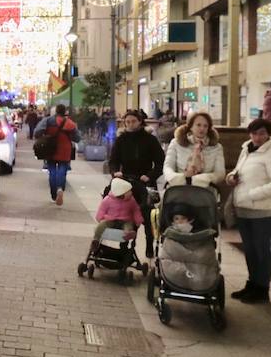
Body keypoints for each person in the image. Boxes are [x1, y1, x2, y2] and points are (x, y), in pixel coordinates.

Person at [225, 118, 271, 304]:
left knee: (261, 251)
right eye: (254, 133)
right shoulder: (247, 150)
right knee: (251, 251)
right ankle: (252, 284)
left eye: (262, 133)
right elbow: (238, 171)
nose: (258, 137)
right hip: (244, 209)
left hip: (262, 211)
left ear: (269, 134)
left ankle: (263, 289)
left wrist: (254, 194)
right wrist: (231, 178)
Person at [107, 109, 165, 257]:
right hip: (126, 181)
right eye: (127, 122)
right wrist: (115, 173)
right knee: (124, 213)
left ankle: (149, 245)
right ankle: (123, 245)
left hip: (145, 181)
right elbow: (113, 160)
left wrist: (150, 175)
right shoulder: (121, 139)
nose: (130, 124)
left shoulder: (150, 140)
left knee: (147, 214)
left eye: (133, 121)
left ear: (140, 122)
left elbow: (160, 162)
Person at [161, 111, 225, 191]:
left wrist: (202, 179)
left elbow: (220, 173)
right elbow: (167, 167)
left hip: (205, 190)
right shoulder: (176, 143)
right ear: (191, 126)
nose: (202, 128)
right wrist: (181, 178)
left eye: (205, 126)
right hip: (179, 188)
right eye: (198, 125)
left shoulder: (216, 147)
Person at [34, 103, 80, 206]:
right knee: (62, 170)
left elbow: (37, 132)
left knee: (52, 171)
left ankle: (54, 195)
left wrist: (45, 136)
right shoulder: (70, 123)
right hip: (65, 150)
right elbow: (77, 138)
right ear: (65, 112)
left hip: (51, 149)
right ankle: (60, 188)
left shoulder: (48, 121)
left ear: (56, 111)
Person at [94, 176, 143, 242]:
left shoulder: (131, 200)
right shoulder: (108, 200)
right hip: (110, 219)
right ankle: (96, 239)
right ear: (121, 193)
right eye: (128, 191)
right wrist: (99, 218)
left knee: (128, 226)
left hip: (125, 220)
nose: (131, 192)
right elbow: (102, 209)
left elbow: (135, 210)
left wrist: (138, 220)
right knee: (101, 225)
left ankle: (128, 234)